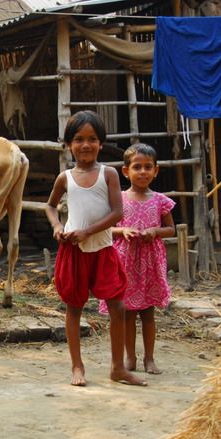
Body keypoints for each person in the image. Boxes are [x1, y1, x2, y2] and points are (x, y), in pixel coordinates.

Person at [45, 111, 147, 387]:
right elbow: (51, 206)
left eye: (92, 139)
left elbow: (117, 213)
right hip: (73, 252)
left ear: (101, 143)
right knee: (74, 307)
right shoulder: (65, 178)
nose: (85, 145)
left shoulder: (109, 174)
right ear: (68, 144)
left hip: (102, 249)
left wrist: (88, 231)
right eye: (78, 139)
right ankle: (77, 366)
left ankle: (117, 367)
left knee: (118, 306)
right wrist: (57, 226)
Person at [99, 143, 175, 374]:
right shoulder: (118, 199)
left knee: (148, 313)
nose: (142, 172)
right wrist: (123, 231)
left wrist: (155, 231)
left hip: (150, 262)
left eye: (148, 167)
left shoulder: (160, 200)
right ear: (126, 171)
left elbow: (171, 229)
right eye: (137, 167)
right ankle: (129, 358)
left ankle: (149, 359)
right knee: (128, 313)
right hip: (125, 261)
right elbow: (105, 229)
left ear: (156, 171)